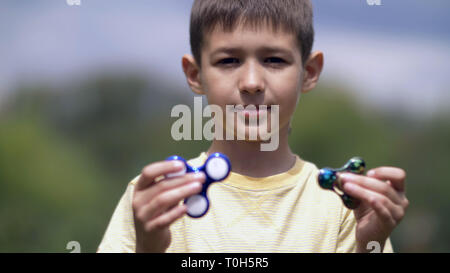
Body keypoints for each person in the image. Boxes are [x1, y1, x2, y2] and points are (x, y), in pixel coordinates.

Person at [97, 0, 409, 253]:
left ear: (309, 72)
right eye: (228, 61)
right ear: (195, 75)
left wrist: (371, 245)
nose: (251, 83)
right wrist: (148, 249)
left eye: (274, 60)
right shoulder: (156, 199)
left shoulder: (342, 206)